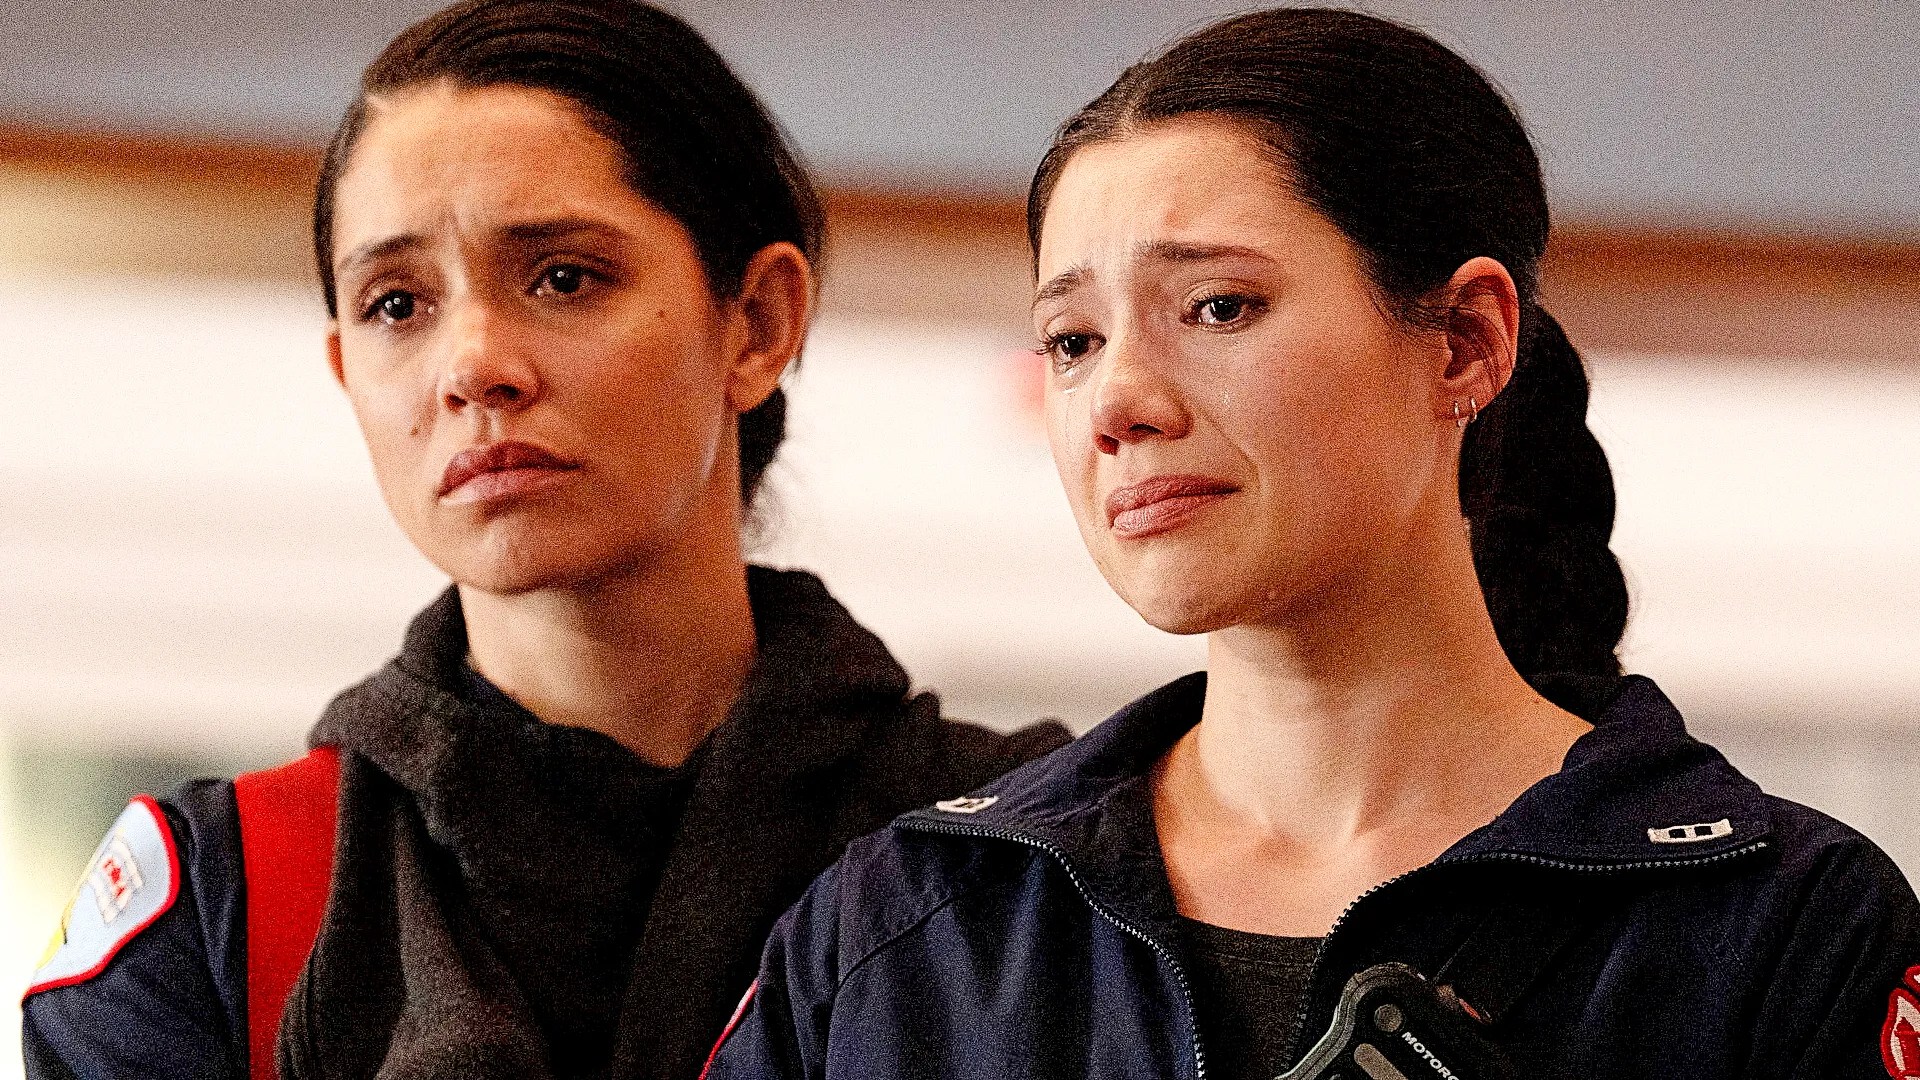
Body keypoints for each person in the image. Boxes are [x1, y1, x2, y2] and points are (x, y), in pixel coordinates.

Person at [702, 10, 1920, 1079]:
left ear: (1464, 342)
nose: (1118, 402)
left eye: (1218, 307)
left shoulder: (1782, 931)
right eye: (1073, 340)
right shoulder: (908, 928)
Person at [21, 3, 1067, 1078]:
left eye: (564, 277)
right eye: (396, 304)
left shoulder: (1039, 853)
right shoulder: (221, 908)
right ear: (346, 373)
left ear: (756, 323)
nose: (473, 365)